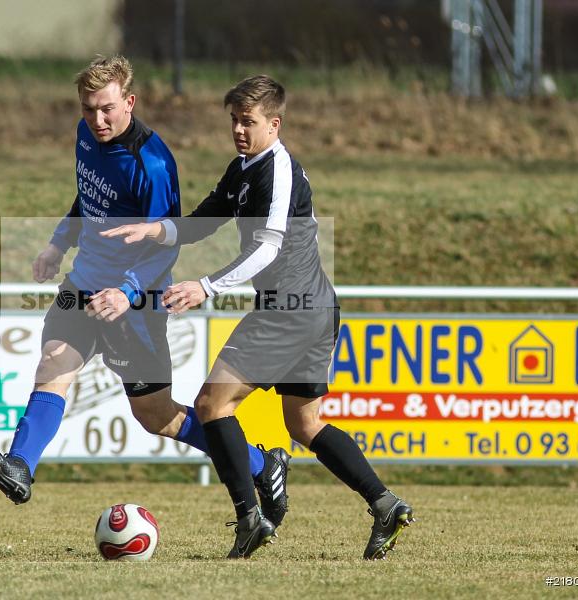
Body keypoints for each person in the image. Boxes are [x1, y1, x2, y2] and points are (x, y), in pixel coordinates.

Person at [0, 57, 290, 529]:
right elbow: (88, 196)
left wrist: (126, 292)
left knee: (157, 417)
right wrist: (59, 241)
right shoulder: (85, 136)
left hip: (134, 304)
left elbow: (165, 241)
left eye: (106, 109)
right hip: (83, 285)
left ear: (129, 103)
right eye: (87, 109)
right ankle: (20, 466)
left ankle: (263, 464)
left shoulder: (154, 163)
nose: (97, 120)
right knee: (53, 363)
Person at [103, 75, 415, 560]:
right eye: (233, 120)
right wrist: (157, 231)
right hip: (312, 309)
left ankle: (250, 517)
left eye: (248, 121)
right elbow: (205, 220)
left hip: (289, 312)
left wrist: (205, 286)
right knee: (304, 424)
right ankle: (386, 503)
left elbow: (267, 250)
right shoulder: (244, 168)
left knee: (211, 404)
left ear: (275, 122)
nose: (239, 130)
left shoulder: (278, 171)